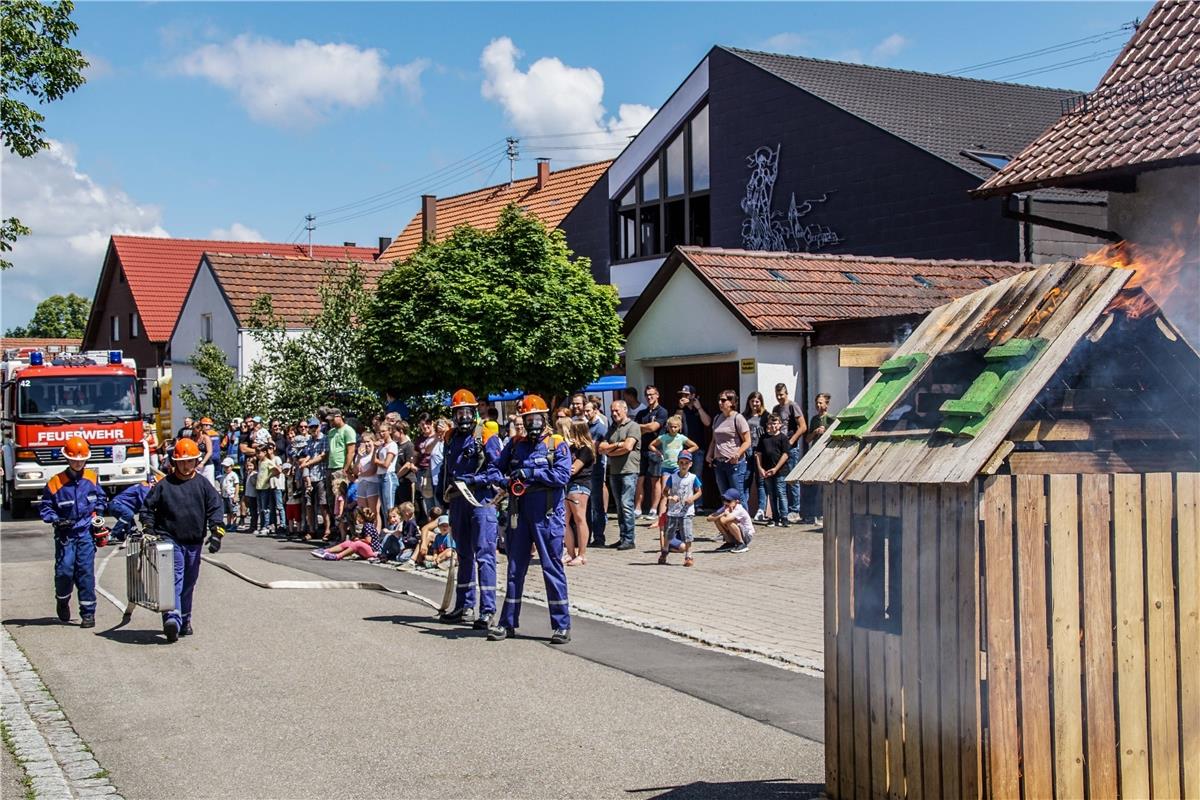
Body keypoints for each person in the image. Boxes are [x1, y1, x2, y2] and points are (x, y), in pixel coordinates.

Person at [491, 395, 572, 644]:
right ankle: (507, 623)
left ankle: (561, 625)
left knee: (552, 567)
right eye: (528, 419)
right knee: (515, 569)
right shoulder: (516, 444)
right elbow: (495, 468)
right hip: (519, 512)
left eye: (536, 418)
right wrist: (505, 480)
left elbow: (562, 476)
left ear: (544, 418)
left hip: (547, 514)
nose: (533, 423)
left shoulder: (556, 443)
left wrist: (532, 473)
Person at [139, 438, 225, 642]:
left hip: (194, 541)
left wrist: (216, 533)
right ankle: (172, 618)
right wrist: (148, 527)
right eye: (182, 461)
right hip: (170, 539)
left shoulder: (203, 484)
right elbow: (147, 508)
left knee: (189, 581)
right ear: (174, 462)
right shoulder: (164, 485)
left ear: (196, 462)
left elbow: (215, 508)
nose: (186, 466)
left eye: (190, 461)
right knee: (174, 577)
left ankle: (185, 620)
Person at [438, 389, 504, 629]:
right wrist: (440, 494)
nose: (464, 416)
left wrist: (474, 481)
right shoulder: (450, 437)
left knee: (484, 555)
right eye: (459, 412)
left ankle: (487, 610)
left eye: (468, 411)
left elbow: (498, 470)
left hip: (480, 501)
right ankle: (464, 605)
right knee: (462, 554)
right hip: (457, 501)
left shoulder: (486, 434)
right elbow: (446, 468)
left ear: (475, 412)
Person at [40, 436, 108, 628]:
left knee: (85, 572)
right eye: (74, 459)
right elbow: (46, 507)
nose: (78, 462)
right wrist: (57, 520)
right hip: (65, 536)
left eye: (82, 459)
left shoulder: (91, 478)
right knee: (64, 572)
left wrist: (99, 515)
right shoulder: (55, 482)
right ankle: (62, 600)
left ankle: (88, 613)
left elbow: (101, 498)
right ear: (67, 458)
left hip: (85, 533)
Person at [598, 399, 640, 551]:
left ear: (625, 410)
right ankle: (623, 537)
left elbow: (628, 447)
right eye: (612, 411)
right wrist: (616, 445)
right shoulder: (612, 428)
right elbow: (601, 448)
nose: (614, 413)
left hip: (629, 470)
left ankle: (629, 539)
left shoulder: (633, 426)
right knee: (620, 507)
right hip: (615, 471)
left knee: (626, 504)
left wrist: (610, 450)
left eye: (617, 410)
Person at [658, 450, 702, 567]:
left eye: (686, 463)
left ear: (690, 464)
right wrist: (671, 497)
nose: (683, 465)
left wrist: (692, 498)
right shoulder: (672, 478)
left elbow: (699, 492)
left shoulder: (693, 478)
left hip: (687, 511)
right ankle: (665, 552)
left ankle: (689, 555)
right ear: (678, 463)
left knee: (687, 533)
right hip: (673, 511)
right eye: (681, 462)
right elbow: (665, 492)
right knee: (669, 533)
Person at [772, 383, 808, 522]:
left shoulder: (793, 406)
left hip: (791, 448)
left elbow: (803, 426)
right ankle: (784, 511)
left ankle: (795, 510)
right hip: (779, 448)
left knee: (792, 478)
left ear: (786, 394)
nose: (779, 397)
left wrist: (791, 441)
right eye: (777, 395)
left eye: (781, 394)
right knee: (781, 479)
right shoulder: (776, 408)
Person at [649, 415, 700, 510]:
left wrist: (685, 452)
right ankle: (661, 519)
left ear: (679, 427)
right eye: (671, 426)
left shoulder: (681, 438)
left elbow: (695, 446)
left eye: (675, 427)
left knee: (678, 491)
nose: (673, 429)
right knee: (665, 492)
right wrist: (657, 452)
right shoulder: (663, 437)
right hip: (666, 468)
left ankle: (678, 511)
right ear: (667, 427)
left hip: (678, 467)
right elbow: (651, 445)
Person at [706, 390, 751, 497]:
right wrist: (709, 454)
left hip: (734, 463)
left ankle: (743, 514)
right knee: (725, 497)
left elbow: (747, 441)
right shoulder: (717, 418)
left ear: (731, 402)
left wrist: (737, 454)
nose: (720, 403)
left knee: (737, 497)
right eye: (719, 400)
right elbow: (714, 440)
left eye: (723, 400)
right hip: (719, 462)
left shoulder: (738, 418)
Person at [562, 418, 594, 566]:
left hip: (580, 485)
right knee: (564, 520)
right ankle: (570, 553)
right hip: (568, 485)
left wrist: (559, 470)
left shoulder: (586, 449)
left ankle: (582, 554)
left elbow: (574, 468)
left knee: (579, 518)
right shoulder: (572, 447)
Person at [634, 386, 669, 520]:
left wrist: (645, 427)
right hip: (641, 449)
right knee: (639, 480)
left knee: (655, 480)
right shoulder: (641, 413)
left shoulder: (662, 412)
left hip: (656, 450)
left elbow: (654, 427)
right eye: (647, 395)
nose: (649, 397)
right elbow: (635, 429)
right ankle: (637, 508)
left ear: (657, 395)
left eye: (652, 394)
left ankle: (654, 509)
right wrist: (645, 428)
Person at [803, 392, 834, 524]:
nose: (818, 405)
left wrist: (826, 432)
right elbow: (807, 439)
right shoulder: (814, 420)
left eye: (821, 402)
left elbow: (835, 436)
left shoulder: (832, 419)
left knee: (826, 486)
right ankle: (814, 513)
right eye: (817, 402)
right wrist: (815, 432)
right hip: (816, 454)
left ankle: (825, 513)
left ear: (827, 404)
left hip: (828, 453)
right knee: (815, 486)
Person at [108, 470, 163, 543]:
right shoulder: (145, 488)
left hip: (124, 507)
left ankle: (119, 534)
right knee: (128, 514)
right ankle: (112, 535)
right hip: (117, 505)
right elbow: (147, 504)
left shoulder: (145, 486)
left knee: (134, 533)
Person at [755, 414, 791, 528]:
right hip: (766, 470)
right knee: (771, 494)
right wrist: (760, 468)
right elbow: (758, 453)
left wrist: (776, 468)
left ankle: (784, 517)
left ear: (780, 425)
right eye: (770, 423)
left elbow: (785, 454)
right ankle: (774, 517)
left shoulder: (783, 438)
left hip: (780, 471)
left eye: (775, 423)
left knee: (781, 493)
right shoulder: (763, 438)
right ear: (767, 425)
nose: (773, 425)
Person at [299, 418, 330, 541]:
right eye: (310, 427)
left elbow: (323, 456)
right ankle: (311, 530)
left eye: (315, 427)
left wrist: (307, 463)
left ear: (319, 427)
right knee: (309, 504)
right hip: (310, 477)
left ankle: (327, 530)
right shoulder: (309, 441)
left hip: (321, 475)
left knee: (323, 504)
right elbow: (307, 454)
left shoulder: (324, 439)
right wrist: (304, 463)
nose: (313, 429)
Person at [583, 398, 608, 547]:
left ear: (595, 410)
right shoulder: (586, 426)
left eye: (588, 410)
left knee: (596, 504)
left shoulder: (600, 427)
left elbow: (594, 449)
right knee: (587, 505)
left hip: (596, 468)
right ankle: (586, 536)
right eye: (585, 410)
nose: (586, 413)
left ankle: (599, 537)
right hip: (586, 470)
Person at [743, 391, 771, 521]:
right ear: (748, 402)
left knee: (761, 481)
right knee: (746, 479)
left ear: (761, 402)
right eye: (752, 401)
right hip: (747, 451)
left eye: (757, 401)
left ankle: (761, 509)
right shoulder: (743, 416)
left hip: (760, 451)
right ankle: (744, 509)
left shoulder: (765, 416)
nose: (755, 404)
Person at [312, 508, 379, 561]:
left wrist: (358, 539)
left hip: (373, 551)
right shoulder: (365, 525)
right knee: (348, 542)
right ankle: (326, 551)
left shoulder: (368, 526)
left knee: (357, 543)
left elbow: (368, 541)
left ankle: (337, 556)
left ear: (360, 517)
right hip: (367, 550)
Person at [708, 488, 754, 554]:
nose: (725, 502)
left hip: (747, 535)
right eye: (724, 499)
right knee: (717, 520)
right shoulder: (726, 507)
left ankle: (742, 544)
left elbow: (724, 520)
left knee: (729, 521)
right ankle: (730, 543)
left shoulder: (739, 509)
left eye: (728, 500)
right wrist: (722, 513)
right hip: (737, 533)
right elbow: (709, 518)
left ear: (737, 501)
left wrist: (725, 513)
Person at [219, 457, 241, 530]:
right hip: (225, 496)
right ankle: (228, 523)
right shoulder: (223, 476)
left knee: (233, 511)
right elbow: (222, 485)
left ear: (232, 466)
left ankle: (234, 524)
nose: (226, 468)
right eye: (224, 467)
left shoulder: (233, 475)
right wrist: (221, 494)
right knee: (228, 511)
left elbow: (236, 485)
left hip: (231, 495)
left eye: (227, 467)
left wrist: (236, 495)